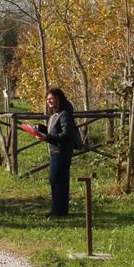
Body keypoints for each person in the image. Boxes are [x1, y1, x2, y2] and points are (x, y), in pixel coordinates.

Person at [32, 88, 78, 217]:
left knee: (59, 182)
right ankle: (57, 209)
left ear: (58, 98)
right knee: (54, 181)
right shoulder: (54, 115)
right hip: (54, 152)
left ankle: (60, 211)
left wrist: (47, 138)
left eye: (51, 99)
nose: (49, 102)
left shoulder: (65, 114)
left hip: (61, 152)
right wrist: (41, 128)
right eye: (47, 100)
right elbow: (53, 131)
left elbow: (66, 135)